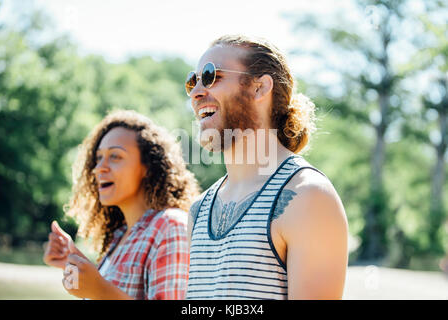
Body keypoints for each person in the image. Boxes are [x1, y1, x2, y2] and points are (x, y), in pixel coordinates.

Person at [185, 35, 348, 300]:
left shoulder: (308, 197)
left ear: (259, 88)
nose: (196, 93)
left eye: (211, 76)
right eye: (192, 81)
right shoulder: (198, 210)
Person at [43, 110, 200, 300]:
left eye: (115, 156)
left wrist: (100, 291)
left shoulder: (171, 227)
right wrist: (72, 260)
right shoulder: (121, 235)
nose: (99, 167)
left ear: (148, 167)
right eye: (99, 158)